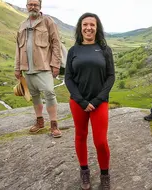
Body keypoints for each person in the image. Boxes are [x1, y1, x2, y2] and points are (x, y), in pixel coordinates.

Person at [65, 13, 115, 190]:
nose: (88, 28)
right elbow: (68, 78)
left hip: (99, 102)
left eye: (92, 25)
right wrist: (81, 101)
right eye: (85, 24)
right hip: (78, 103)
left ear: (97, 28)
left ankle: (105, 174)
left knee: (100, 141)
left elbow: (110, 77)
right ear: (80, 28)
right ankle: (84, 170)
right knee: (80, 136)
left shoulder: (104, 49)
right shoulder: (73, 50)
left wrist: (97, 99)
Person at [14, 0, 62, 138]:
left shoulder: (48, 21)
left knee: (49, 92)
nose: (33, 6)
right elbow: (17, 48)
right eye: (30, 4)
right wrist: (17, 67)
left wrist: (55, 64)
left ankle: (54, 125)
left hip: (44, 66)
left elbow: (56, 43)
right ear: (27, 6)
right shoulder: (22, 25)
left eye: (35, 4)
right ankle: (40, 121)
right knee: (34, 95)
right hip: (27, 68)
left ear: (40, 6)